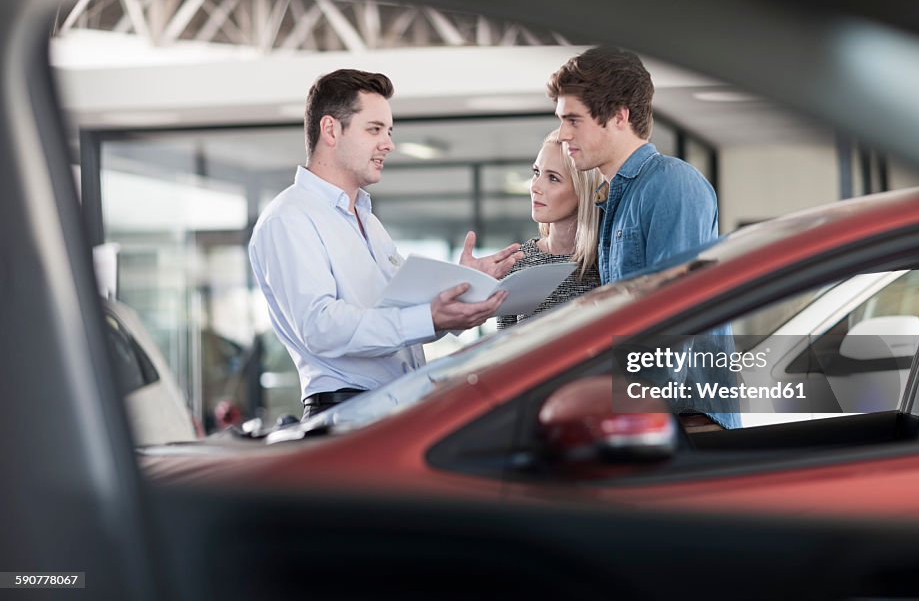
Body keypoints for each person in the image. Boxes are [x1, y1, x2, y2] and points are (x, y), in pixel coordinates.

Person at [249, 68, 522, 419]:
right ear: (331, 130)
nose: (388, 144)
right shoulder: (289, 218)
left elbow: (396, 319)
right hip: (346, 413)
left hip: (396, 407)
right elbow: (321, 327)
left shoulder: (369, 222)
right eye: (374, 129)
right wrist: (427, 317)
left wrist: (458, 289)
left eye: (388, 131)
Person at [547, 46, 738, 431]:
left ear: (620, 116)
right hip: (655, 415)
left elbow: (675, 313)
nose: (563, 135)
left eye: (574, 121)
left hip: (686, 420)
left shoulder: (671, 184)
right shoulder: (614, 197)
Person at [496, 130, 603, 329]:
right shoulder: (517, 262)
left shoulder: (607, 263)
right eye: (536, 172)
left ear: (583, 190)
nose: (535, 186)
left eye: (553, 178)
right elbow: (504, 350)